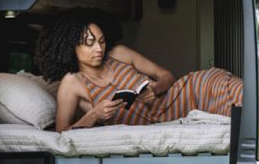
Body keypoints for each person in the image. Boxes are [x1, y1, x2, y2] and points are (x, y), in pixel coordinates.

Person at [35, 9, 243, 132]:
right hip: (170, 118)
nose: (98, 48)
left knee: (245, 98)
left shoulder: (119, 53)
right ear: (71, 47)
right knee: (243, 113)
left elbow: (167, 76)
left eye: (101, 41)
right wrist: (94, 115)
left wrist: (156, 89)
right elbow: (62, 133)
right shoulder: (72, 83)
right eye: (89, 43)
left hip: (190, 93)